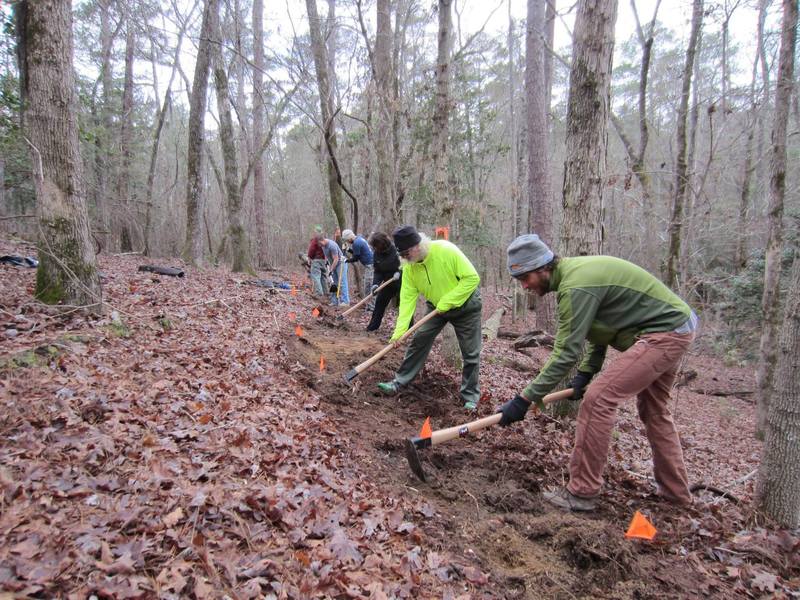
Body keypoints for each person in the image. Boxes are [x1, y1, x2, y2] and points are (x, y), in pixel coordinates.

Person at [498, 234, 699, 511]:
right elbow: (601, 327)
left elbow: (565, 353)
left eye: (525, 278)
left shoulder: (576, 287)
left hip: (663, 332)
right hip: (677, 325)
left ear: (543, 267)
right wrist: (586, 372)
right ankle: (676, 496)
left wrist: (524, 399)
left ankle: (582, 492)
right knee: (654, 410)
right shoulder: (576, 277)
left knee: (598, 400)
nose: (524, 287)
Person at [377, 225, 482, 411]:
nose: (404, 257)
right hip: (436, 307)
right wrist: (399, 333)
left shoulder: (446, 250)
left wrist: (448, 301)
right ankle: (399, 382)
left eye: (407, 253)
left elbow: (472, 278)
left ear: (418, 245)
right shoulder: (409, 268)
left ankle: (470, 397)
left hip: (466, 306)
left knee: (470, 353)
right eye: (401, 254)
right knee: (419, 339)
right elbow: (407, 301)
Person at [365, 232, 401, 332]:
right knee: (380, 302)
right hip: (388, 283)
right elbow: (378, 271)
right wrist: (375, 284)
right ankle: (372, 327)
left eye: (376, 246)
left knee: (403, 306)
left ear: (382, 243)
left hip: (401, 282)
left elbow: (406, 264)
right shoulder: (377, 254)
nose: (374, 248)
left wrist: (399, 272)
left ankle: (406, 329)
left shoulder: (396, 250)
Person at [342, 229, 375, 311]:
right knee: (368, 286)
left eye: (347, 240)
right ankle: (370, 306)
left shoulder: (356, 243)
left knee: (368, 286)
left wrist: (346, 260)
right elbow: (358, 253)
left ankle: (372, 307)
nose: (348, 242)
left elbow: (356, 258)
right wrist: (348, 250)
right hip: (371, 264)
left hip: (370, 266)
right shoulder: (359, 239)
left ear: (349, 238)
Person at [320, 237, 349, 306]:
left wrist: (330, 270)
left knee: (342, 282)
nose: (319, 245)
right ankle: (334, 301)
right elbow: (326, 255)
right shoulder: (323, 245)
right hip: (333, 264)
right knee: (333, 283)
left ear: (323, 240)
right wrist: (326, 261)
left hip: (341, 264)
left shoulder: (332, 245)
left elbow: (336, 259)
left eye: (320, 243)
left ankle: (345, 301)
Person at [307, 226, 327, 297]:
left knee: (316, 276)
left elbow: (311, 249)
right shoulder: (324, 238)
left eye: (314, 231)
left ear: (316, 232)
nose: (314, 233)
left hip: (317, 260)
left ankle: (319, 293)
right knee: (323, 277)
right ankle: (325, 292)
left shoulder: (316, 239)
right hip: (324, 260)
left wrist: (309, 257)